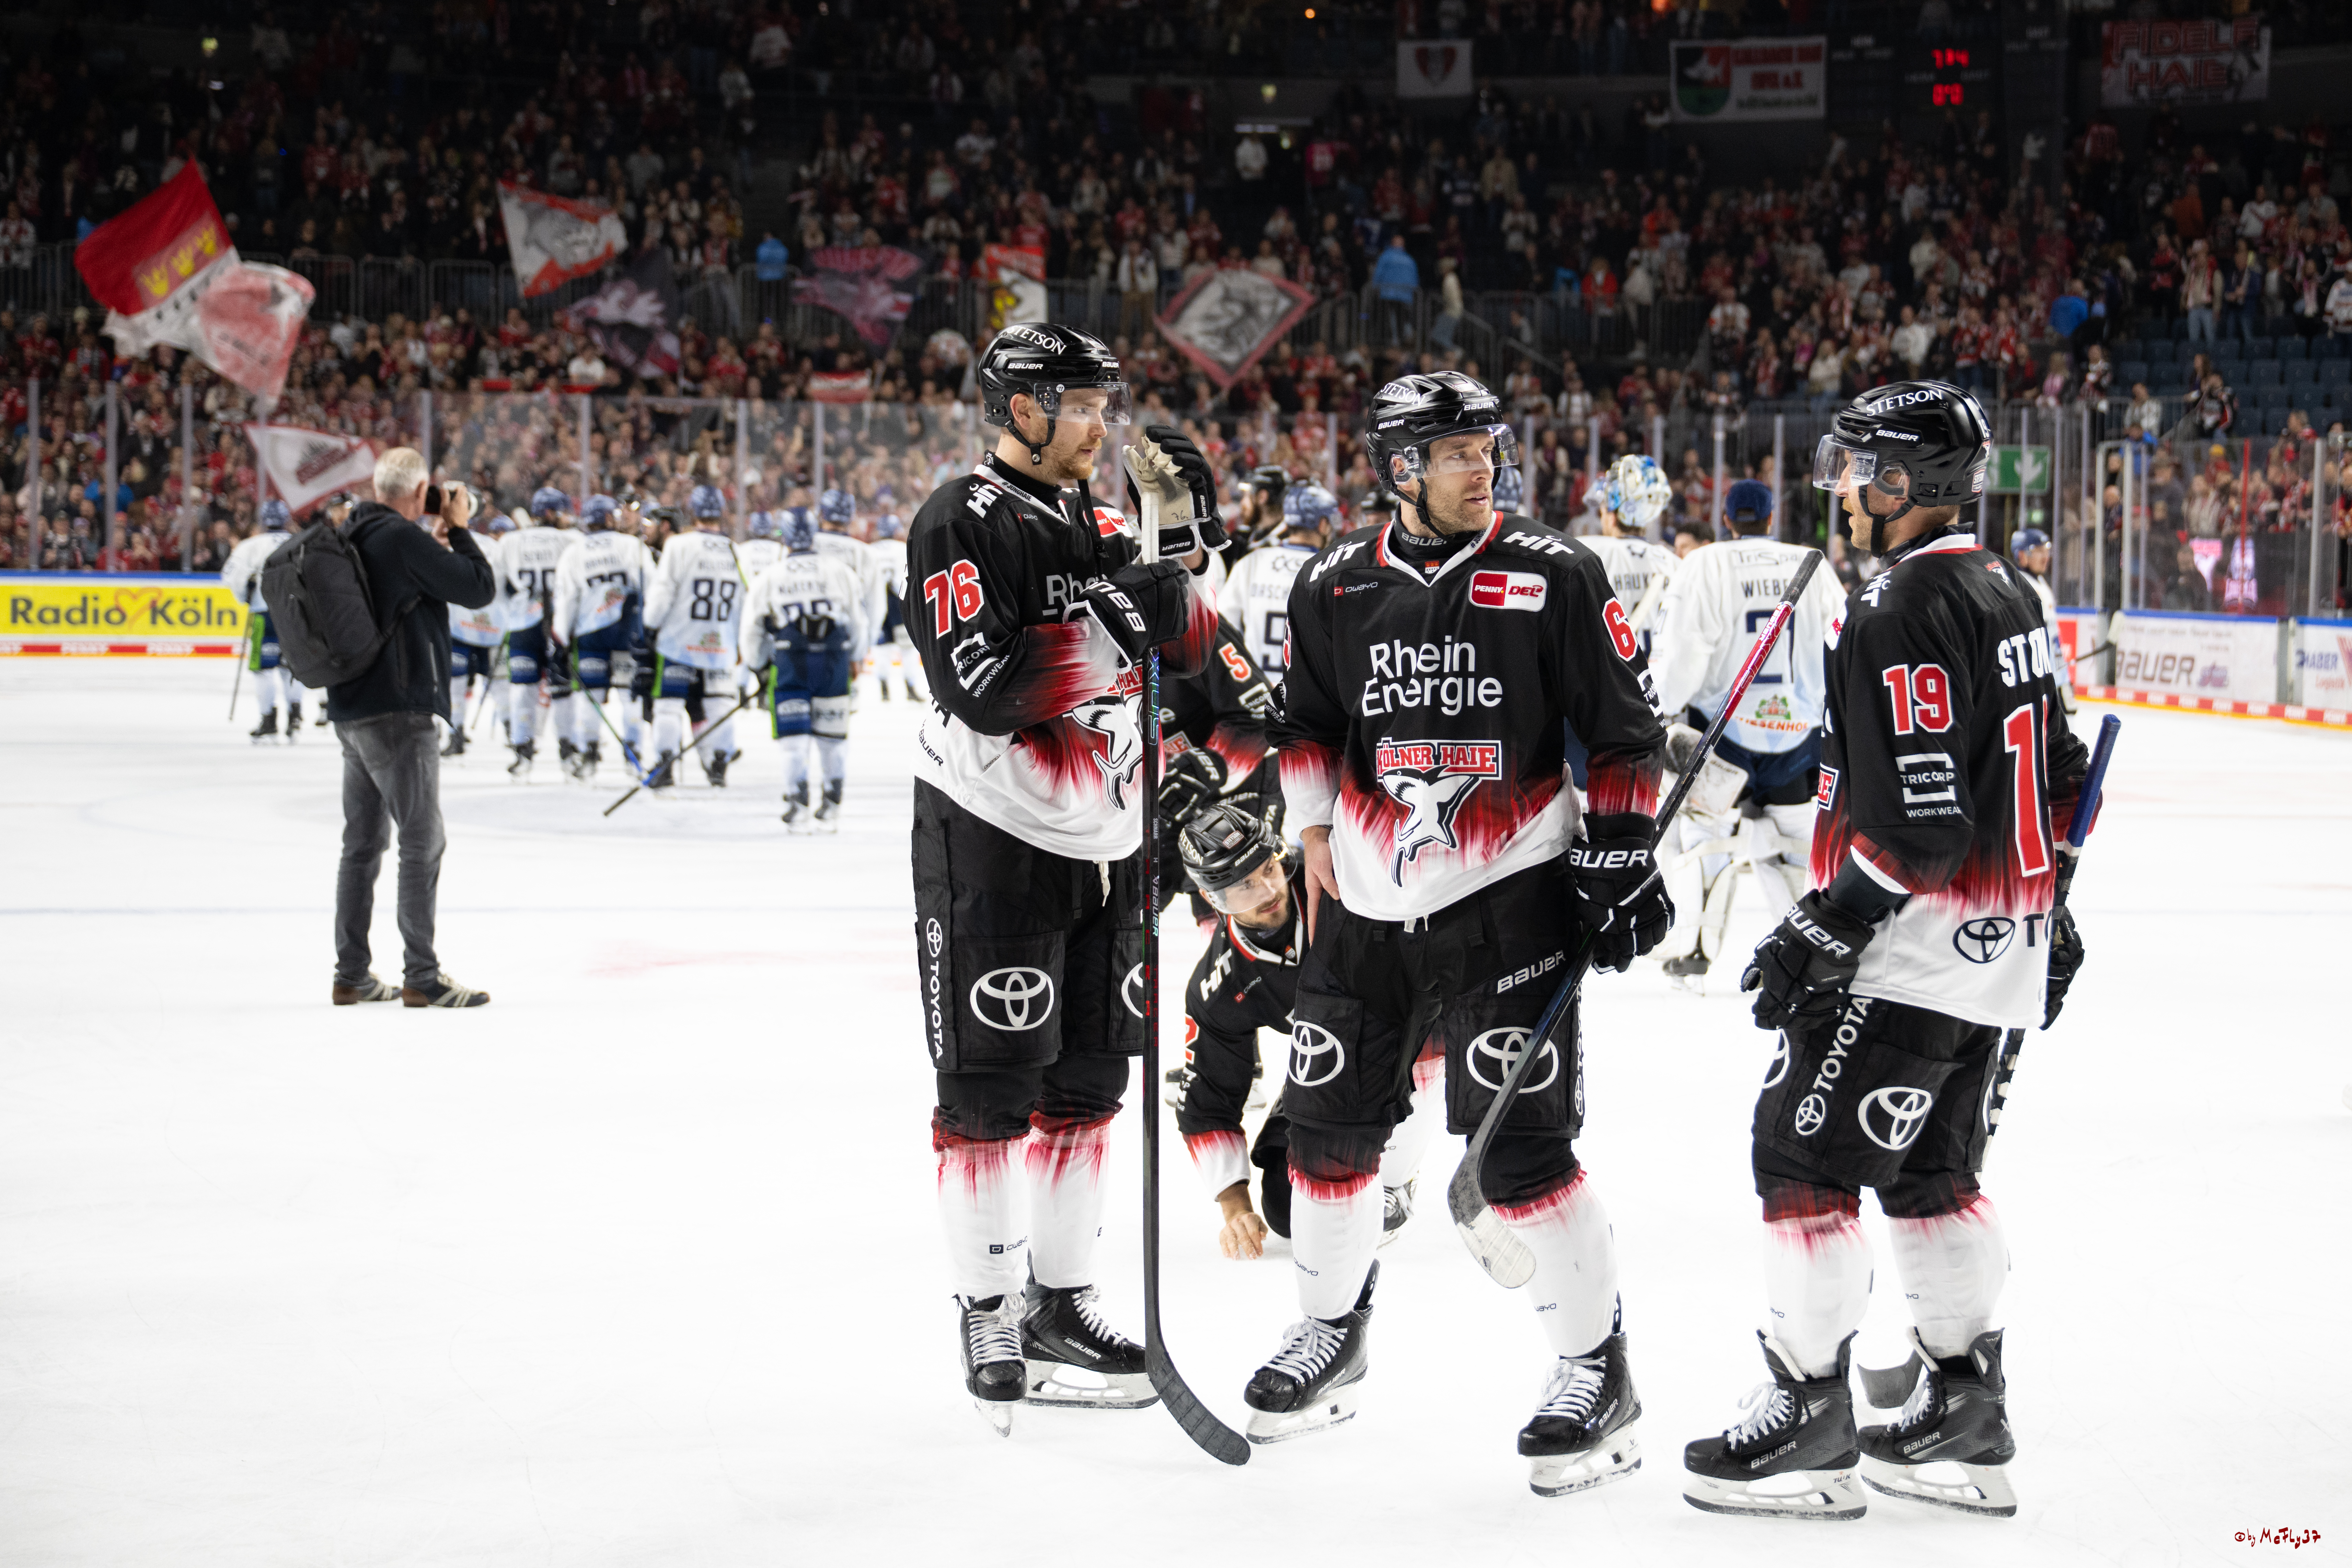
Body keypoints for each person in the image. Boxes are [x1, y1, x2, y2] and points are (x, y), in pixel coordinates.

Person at [1254, 370, 1671, 1495]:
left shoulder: (1557, 573)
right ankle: (1329, 1329)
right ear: (1398, 466)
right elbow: (1306, 725)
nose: (1480, 464)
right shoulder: (1333, 584)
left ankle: (1597, 1368)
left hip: (1510, 898)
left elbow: (1627, 734)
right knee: (1325, 1127)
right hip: (1365, 905)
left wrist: (1624, 844)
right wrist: (1308, 831)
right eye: (1452, 450)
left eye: (1485, 445)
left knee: (1520, 1150)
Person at [1681, 380, 2090, 1521]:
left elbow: (1918, 822)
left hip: (1905, 945)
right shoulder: (2010, 587)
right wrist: (2052, 908)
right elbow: (2057, 777)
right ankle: (1966, 1408)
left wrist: (1827, 918)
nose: (1843, 485)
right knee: (1931, 1174)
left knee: (1800, 1161)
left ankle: (1810, 1416)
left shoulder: (1900, 604)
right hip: (1992, 941)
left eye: (1860, 465)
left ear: (1906, 482)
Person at [906, 324, 1224, 1431]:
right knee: (990, 1085)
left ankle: (1060, 1300)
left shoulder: (1099, 517)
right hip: (994, 828)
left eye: (1102, 401)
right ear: (1018, 408)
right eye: (1078, 404)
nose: (1099, 423)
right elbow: (985, 683)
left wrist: (1180, 547)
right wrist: (1119, 611)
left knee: (1092, 1082)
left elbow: (1186, 653)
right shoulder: (960, 515)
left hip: (1112, 835)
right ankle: (987, 1303)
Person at [1169, 797, 1443, 1260]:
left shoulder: (1340, 881)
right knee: (1288, 1205)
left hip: (1409, 1032)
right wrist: (1235, 1207)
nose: (1267, 891)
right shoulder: (1220, 983)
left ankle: (1396, 1180)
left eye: (1268, 869)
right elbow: (1207, 1101)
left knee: (1427, 1043)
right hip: (1331, 1059)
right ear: (1214, 901)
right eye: (1244, 887)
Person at [1646, 477, 1846, 984]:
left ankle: (1694, 949)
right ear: (1772, 520)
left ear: (1728, 521)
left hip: (1721, 738)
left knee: (1704, 839)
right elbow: (1841, 646)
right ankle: (1809, 955)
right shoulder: (1813, 566)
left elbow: (1685, 651)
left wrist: (1664, 709)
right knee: (1797, 846)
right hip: (1799, 739)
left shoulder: (1707, 564)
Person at [327, 449, 498, 1008]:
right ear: (419, 489)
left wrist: (433, 532)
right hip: (399, 709)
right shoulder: (401, 539)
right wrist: (460, 528)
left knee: (363, 843)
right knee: (422, 839)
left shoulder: (354, 531)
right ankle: (421, 975)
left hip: (352, 707)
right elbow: (477, 587)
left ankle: (351, 973)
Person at [742, 506, 867, 829]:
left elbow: (752, 628)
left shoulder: (771, 576)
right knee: (832, 739)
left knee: (793, 740)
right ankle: (832, 805)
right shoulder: (840, 572)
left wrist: (758, 666)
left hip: (790, 665)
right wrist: (856, 658)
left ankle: (797, 803)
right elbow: (857, 621)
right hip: (833, 663)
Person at [642, 486, 750, 787]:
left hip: (679, 641)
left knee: (668, 705)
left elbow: (663, 593)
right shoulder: (734, 549)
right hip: (719, 641)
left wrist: (651, 626)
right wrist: (739, 640)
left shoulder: (679, 546)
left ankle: (665, 765)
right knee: (719, 704)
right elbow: (744, 599)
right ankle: (719, 763)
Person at [551, 494, 651, 782]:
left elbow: (566, 600)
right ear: (609, 518)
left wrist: (561, 641)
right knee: (629, 695)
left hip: (589, 633)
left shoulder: (574, 552)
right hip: (627, 631)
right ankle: (633, 753)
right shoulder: (632, 545)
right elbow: (651, 585)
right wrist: (651, 629)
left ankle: (590, 752)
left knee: (590, 696)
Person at [493, 487, 581, 778]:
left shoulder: (510, 541)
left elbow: (496, 585)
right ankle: (569, 753)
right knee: (562, 689)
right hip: (559, 625)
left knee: (523, 690)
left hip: (523, 626)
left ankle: (522, 752)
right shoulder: (572, 540)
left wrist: (512, 612)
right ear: (551, 513)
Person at [1219, 480, 1336, 678]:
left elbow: (1221, 628)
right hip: (1301, 699)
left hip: (1255, 692)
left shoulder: (1252, 562)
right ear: (1323, 525)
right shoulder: (1331, 571)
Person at [220, 499, 308, 743]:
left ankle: (268, 720)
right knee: (291, 667)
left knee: (263, 669)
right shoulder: (301, 542)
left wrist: (246, 595)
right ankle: (296, 716)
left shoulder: (250, 546)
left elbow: (231, 577)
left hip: (264, 613)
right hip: (294, 615)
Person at [1579, 453, 1679, 658]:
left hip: (1612, 683)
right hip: (1658, 684)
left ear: (1612, 516)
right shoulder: (1673, 563)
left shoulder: (1589, 553)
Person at [444, 509, 510, 757]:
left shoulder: (450, 543)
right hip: (493, 625)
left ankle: (456, 733)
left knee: (456, 683)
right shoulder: (498, 548)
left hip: (460, 625)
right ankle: (512, 732)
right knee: (499, 684)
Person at [864, 511, 924, 701]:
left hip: (878, 601)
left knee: (882, 647)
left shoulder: (870, 549)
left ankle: (884, 689)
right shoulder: (902, 548)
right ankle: (911, 688)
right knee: (907, 648)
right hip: (899, 602)